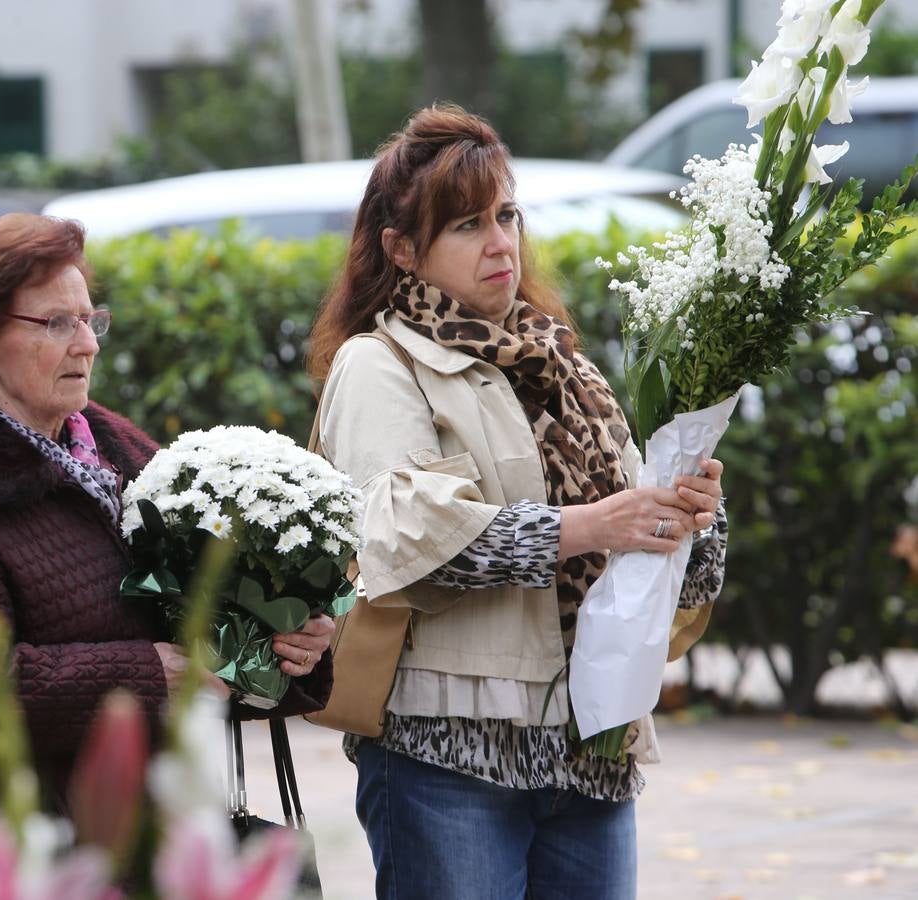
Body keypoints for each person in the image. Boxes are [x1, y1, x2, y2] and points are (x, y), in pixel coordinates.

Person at [307, 105, 728, 899]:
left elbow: (650, 562)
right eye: (466, 224)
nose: (501, 242)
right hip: (444, 758)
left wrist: (690, 515)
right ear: (401, 249)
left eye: (506, 214)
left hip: (591, 750)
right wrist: (593, 525)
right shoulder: (380, 365)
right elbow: (405, 546)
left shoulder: (562, 362)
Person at [0, 213, 334, 821]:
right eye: (56, 323)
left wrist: (283, 644)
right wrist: (144, 676)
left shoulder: (138, 467)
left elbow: (205, 641)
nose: (86, 344)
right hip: (41, 859)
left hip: (173, 836)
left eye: (89, 320)